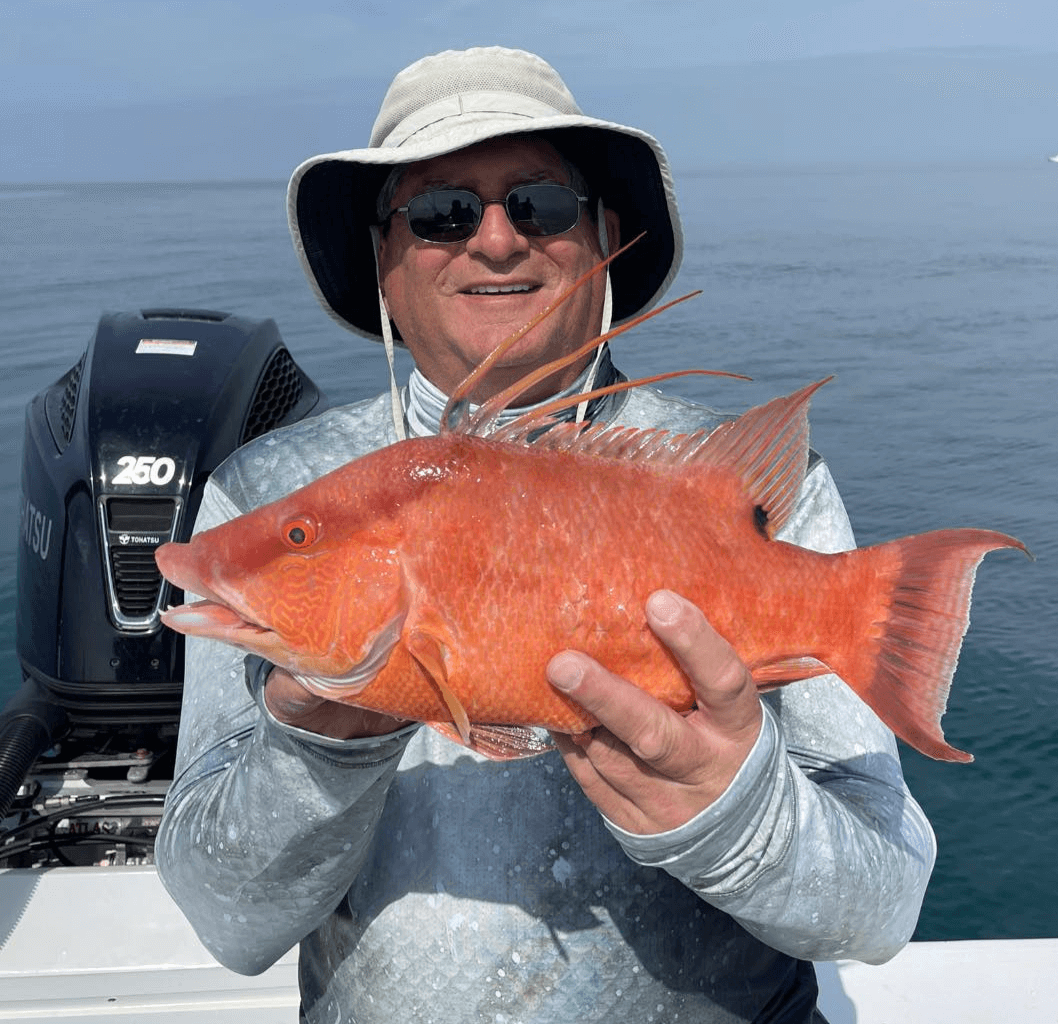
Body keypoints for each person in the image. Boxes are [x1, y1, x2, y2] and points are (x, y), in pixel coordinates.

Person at [156, 46, 936, 1024]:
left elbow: (883, 903)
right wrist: (314, 743)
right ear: (381, 263)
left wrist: (739, 816)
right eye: (442, 212)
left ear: (603, 234)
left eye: (541, 205)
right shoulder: (268, 493)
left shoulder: (736, 489)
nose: (495, 241)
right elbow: (227, 921)